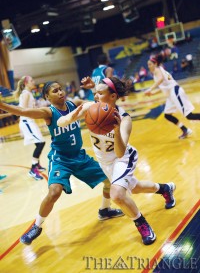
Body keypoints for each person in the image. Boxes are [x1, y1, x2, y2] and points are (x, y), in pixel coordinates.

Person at [0, 81, 123, 245]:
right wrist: (2, 104)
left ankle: (105, 209)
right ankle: (36, 226)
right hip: (61, 159)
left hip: (80, 156)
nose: (60, 92)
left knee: (108, 181)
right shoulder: (48, 112)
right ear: (47, 97)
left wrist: (94, 88)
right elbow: (23, 111)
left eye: (60, 89)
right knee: (54, 192)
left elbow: (100, 105)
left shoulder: (75, 104)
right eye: (55, 91)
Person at [57, 77, 176, 245]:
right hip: (104, 162)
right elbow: (60, 122)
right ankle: (165, 188)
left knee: (117, 195)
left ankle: (142, 223)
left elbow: (120, 153)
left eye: (100, 93)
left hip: (123, 158)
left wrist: (116, 129)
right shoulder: (91, 108)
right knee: (134, 188)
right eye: (95, 92)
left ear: (113, 96)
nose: (95, 96)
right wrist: (72, 116)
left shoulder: (125, 119)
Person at [144, 55, 200, 139]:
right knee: (167, 115)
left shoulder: (157, 70)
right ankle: (185, 130)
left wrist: (150, 89)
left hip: (175, 92)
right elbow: (163, 86)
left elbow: (161, 79)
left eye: (150, 64)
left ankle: (186, 130)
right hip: (171, 95)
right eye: (148, 65)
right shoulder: (158, 71)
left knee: (189, 116)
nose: (148, 66)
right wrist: (153, 93)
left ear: (155, 64)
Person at [13, 76, 46, 180]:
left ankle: (37, 165)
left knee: (39, 143)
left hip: (30, 121)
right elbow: (21, 110)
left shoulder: (29, 93)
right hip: (26, 121)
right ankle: (33, 169)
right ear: (26, 83)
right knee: (41, 143)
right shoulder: (26, 94)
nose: (34, 82)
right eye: (32, 81)